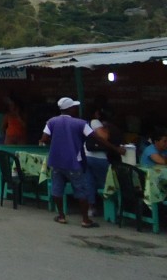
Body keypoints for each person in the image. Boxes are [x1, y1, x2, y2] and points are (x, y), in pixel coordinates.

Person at [41, 97, 101, 228]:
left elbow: (44, 138)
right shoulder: (80, 123)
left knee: (57, 189)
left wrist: (56, 142)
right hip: (74, 163)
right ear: (70, 109)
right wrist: (114, 148)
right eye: (75, 107)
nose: (76, 109)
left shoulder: (51, 121)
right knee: (81, 190)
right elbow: (94, 137)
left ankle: (61, 216)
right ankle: (85, 219)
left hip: (56, 161)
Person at [85, 107, 126, 217]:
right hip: (98, 157)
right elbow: (103, 137)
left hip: (86, 156)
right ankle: (114, 210)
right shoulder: (95, 122)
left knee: (90, 182)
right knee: (108, 183)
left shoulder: (85, 123)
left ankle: (91, 208)